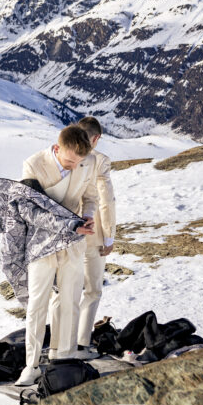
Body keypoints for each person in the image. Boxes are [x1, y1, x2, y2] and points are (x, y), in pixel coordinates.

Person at [15, 125, 98, 386]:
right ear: (57, 148)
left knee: (71, 298)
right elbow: (31, 211)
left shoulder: (89, 161)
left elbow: (90, 196)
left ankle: (64, 355)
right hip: (42, 243)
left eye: (79, 162)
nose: (75, 167)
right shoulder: (33, 165)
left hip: (74, 243)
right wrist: (69, 225)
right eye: (70, 161)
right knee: (37, 303)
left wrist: (89, 215)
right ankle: (32, 365)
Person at [71, 116, 116, 353]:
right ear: (96, 138)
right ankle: (81, 343)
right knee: (92, 290)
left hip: (67, 234)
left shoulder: (63, 156)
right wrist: (108, 236)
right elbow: (105, 200)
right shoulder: (100, 160)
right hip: (93, 234)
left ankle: (62, 342)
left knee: (67, 291)